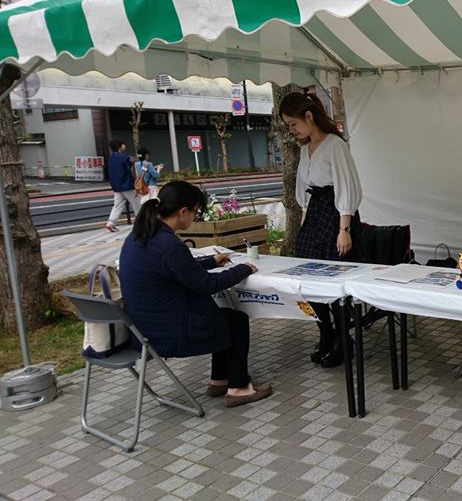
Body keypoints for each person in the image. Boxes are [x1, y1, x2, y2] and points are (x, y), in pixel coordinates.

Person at [118, 180, 272, 407]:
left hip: (143, 327)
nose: (195, 217)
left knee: (223, 317)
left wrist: (211, 261)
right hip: (166, 332)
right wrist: (243, 269)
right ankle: (238, 388)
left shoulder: (139, 236)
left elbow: (179, 270)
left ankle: (220, 380)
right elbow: (207, 285)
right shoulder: (168, 244)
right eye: (196, 212)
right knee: (236, 320)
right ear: (183, 211)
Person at [280, 91, 364, 368]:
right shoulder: (305, 149)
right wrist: (304, 223)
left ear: (308, 116)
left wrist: (345, 229)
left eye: (293, 124)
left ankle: (342, 339)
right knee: (307, 279)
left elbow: (346, 186)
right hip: (315, 217)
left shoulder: (335, 145)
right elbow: (304, 192)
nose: (292, 130)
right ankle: (326, 333)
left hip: (336, 217)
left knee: (334, 282)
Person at [105, 139, 141, 232]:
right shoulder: (123, 156)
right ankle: (141, 222)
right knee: (136, 202)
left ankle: (111, 223)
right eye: (123, 145)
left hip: (116, 186)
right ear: (119, 146)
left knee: (117, 205)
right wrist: (135, 158)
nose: (124, 146)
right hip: (127, 185)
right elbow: (130, 162)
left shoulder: (110, 158)